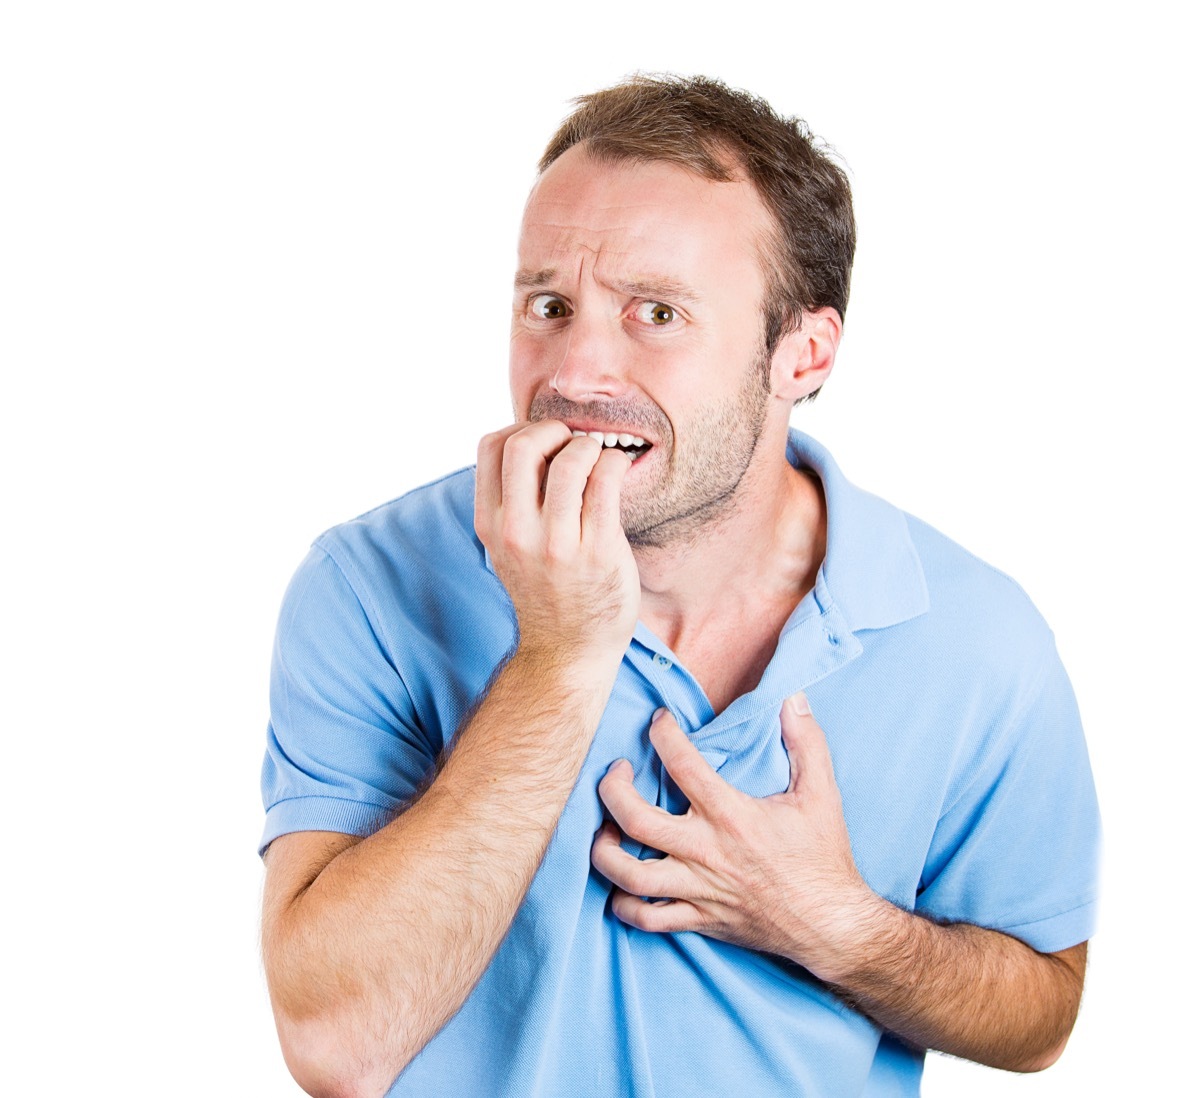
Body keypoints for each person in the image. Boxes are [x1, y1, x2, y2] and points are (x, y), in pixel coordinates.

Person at [259, 75, 1099, 1097]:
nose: (577, 367)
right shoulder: (373, 585)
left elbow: (1042, 1015)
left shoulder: (976, 638)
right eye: (547, 303)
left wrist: (836, 926)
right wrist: (561, 655)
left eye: (656, 312)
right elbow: (335, 1045)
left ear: (803, 352)